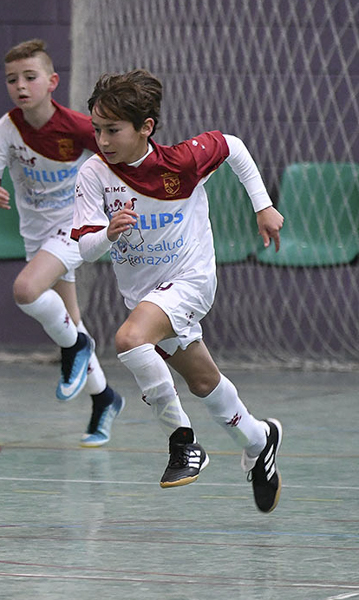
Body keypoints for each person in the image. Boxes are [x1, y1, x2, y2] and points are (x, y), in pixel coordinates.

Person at [71, 69, 285, 513]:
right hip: (145, 294)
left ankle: (183, 442)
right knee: (203, 381)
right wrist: (109, 233)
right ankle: (259, 439)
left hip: (191, 281)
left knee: (129, 339)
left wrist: (262, 206)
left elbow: (234, 147)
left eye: (113, 130)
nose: (103, 139)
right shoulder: (94, 173)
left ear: (145, 128)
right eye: (97, 129)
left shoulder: (183, 161)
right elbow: (86, 247)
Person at [0, 39, 125, 447]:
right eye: (12, 79)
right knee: (69, 318)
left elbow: (119, 160)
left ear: (52, 82)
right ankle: (105, 398)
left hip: (78, 225)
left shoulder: (76, 126)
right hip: (37, 233)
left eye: (30, 77)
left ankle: (77, 346)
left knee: (26, 289)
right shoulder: (6, 130)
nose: (20, 86)